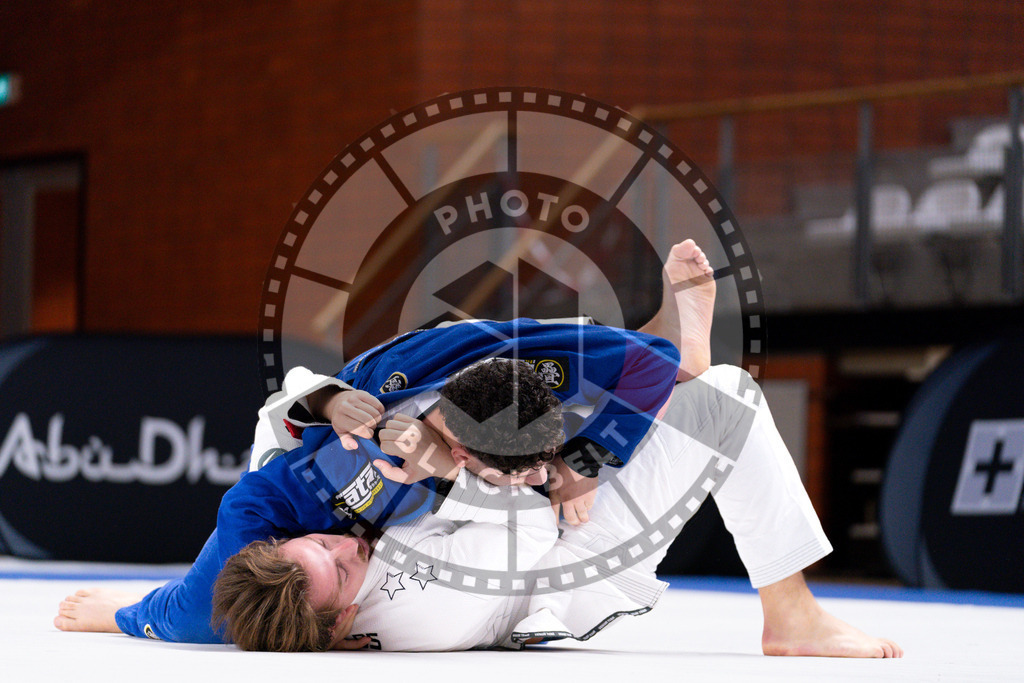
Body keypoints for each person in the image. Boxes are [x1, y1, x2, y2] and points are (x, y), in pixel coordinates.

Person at [54, 240, 714, 646]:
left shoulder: (268, 503)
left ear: (287, 536)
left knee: (636, 372)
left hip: (361, 411)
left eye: (324, 549)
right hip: (414, 449)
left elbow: (179, 610)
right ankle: (663, 356)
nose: (348, 549)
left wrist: (585, 464)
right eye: (343, 571)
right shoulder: (366, 551)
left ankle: (665, 345)